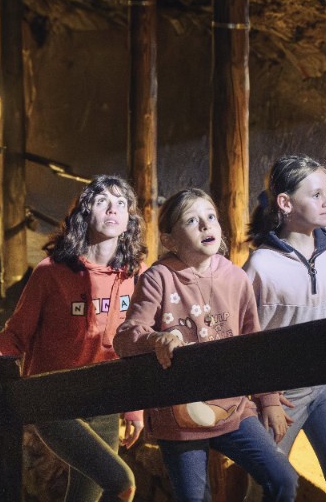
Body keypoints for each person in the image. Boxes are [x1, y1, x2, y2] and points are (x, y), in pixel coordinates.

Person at [0, 175, 144, 502]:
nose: (113, 209)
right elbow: (17, 331)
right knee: (121, 482)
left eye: (121, 204)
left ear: (129, 220)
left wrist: (135, 409)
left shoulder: (132, 274)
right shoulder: (52, 271)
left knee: (85, 495)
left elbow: (133, 343)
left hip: (106, 397)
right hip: (51, 396)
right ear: (85, 214)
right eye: (103, 202)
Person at [114, 188, 298, 502]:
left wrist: (268, 400)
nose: (205, 226)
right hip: (178, 417)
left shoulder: (235, 277)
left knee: (283, 479)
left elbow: (252, 344)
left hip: (235, 409)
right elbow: (125, 337)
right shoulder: (159, 278)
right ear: (169, 240)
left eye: (210, 217)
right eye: (191, 220)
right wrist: (154, 338)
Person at [245, 154, 326, 502]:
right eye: (316, 195)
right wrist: (265, 399)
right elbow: (245, 341)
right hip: (281, 396)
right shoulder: (261, 266)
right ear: (284, 203)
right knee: (270, 489)